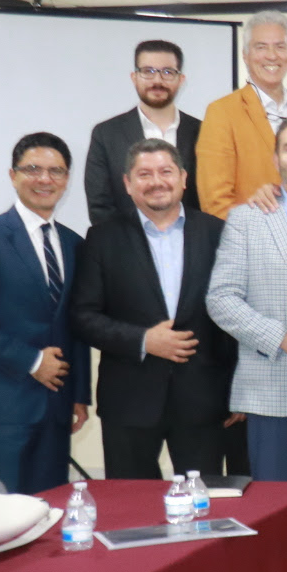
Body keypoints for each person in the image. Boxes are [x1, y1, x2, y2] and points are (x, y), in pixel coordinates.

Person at [72, 139, 235, 479]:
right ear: (128, 184)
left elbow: (234, 315)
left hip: (204, 400)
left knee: (204, 510)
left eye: (165, 171)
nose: (156, 181)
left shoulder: (218, 233)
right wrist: (144, 340)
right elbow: (84, 317)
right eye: (144, 174)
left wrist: (237, 388)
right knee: (132, 514)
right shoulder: (102, 239)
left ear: (184, 178)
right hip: (129, 402)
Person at [0, 133, 92, 495]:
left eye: (56, 171)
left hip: (57, 406)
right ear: (13, 175)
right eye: (33, 169)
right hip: (1, 404)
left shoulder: (75, 244)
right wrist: (31, 361)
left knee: (50, 511)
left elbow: (78, 324)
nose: (45, 179)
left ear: (66, 179)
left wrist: (78, 394)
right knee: (3, 515)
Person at [206, 114, 287, 483]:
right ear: (276, 160)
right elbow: (222, 299)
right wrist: (280, 339)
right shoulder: (247, 219)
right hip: (273, 388)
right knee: (276, 510)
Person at [197, 11, 287, 219]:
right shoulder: (221, 113)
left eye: (280, 46)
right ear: (245, 55)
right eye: (261, 47)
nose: (272, 56)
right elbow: (214, 202)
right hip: (251, 244)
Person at [84, 40, 201, 225]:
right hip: (126, 248)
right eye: (148, 71)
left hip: (191, 247)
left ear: (181, 79)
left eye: (168, 72)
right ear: (134, 77)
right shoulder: (106, 134)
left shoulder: (202, 133)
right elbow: (100, 206)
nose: (157, 81)